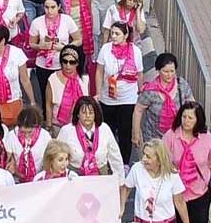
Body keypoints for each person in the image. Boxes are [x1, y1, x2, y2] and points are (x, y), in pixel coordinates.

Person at [96, 21, 144, 166]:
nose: (114, 37)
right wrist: (98, 92)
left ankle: (124, 164)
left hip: (128, 98)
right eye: (112, 33)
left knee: (125, 132)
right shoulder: (105, 49)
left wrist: (141, 93)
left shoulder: (135, 51)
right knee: (108, 131)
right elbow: (99, 71)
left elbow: (140, 74)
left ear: (126, 35)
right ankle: (108, 162)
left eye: (117, 34)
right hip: (108, 98)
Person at [133, 53, 196, 144]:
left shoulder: (182, 85)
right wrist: (136, 134)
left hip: (178, 138)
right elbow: (138, 111)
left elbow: (192, 106)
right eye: (165, 71)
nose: (169, 75)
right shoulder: (150, 91)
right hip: (154, 139)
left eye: (172, 71)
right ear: (158, 71)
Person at [28, 0, 81, 101]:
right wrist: (40, 46)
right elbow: (31, 44)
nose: (50, 11)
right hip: (42, 64)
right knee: (45, 96)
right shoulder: (37, 22)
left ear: (59, 6)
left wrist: (65, 47)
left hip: (62, 63)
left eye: (53, 7)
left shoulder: (67, 20)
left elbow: (79, 40)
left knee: (62, 96)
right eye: (47, 7)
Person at [45, 44, 90, 132]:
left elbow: (87, 103)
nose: (67, 65)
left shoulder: (85, 80)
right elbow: (48, 105)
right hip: (57, 127)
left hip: (79, 127)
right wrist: (49, 126)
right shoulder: (53, 79)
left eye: (72, 62)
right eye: (65, 61)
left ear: (77, 63)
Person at [4, 105, 50, 183]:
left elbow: (50, 158)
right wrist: (11, 164)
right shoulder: (11, 136)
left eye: (30, 132)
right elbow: (7, 159)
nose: (26, 135)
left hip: (39, 179)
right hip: (17, 179)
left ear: (37, 126)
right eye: (23, 132)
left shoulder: (45, 136)